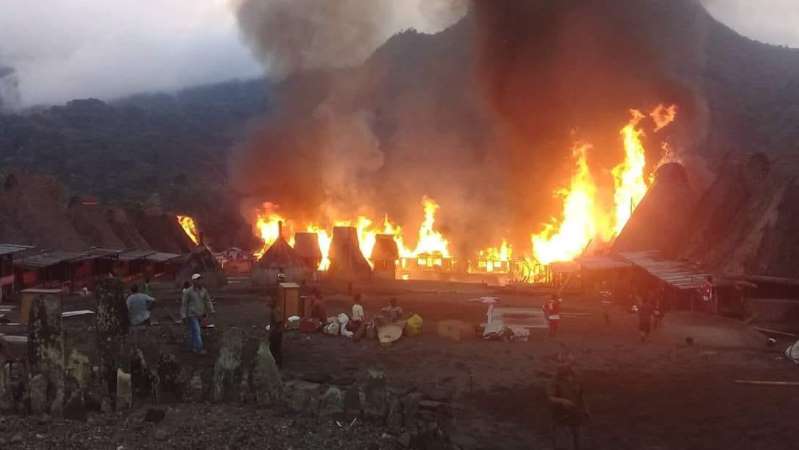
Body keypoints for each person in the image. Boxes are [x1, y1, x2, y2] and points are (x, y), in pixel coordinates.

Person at [548, 364, 589, 450]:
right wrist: (563, 401)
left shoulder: (577, 378)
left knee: (579, 439)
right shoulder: (554, 380)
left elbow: (582, 395)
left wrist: (586, 410)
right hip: (562, 416)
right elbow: (550, 398)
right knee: (565, 441)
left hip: (577, 414)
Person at [181, 273, 215, 354]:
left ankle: (190, 347)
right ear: (194, 281)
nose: (200, 281)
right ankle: (199, 348)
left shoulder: (204, 290)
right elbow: (184, 304)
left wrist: (211, 310)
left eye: (200, 279)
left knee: (192, 331)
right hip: (191, 315)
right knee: (197, 331)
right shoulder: (188, 291)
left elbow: (207, 300)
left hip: (200, 314)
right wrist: (183, 315)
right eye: (198, 280)